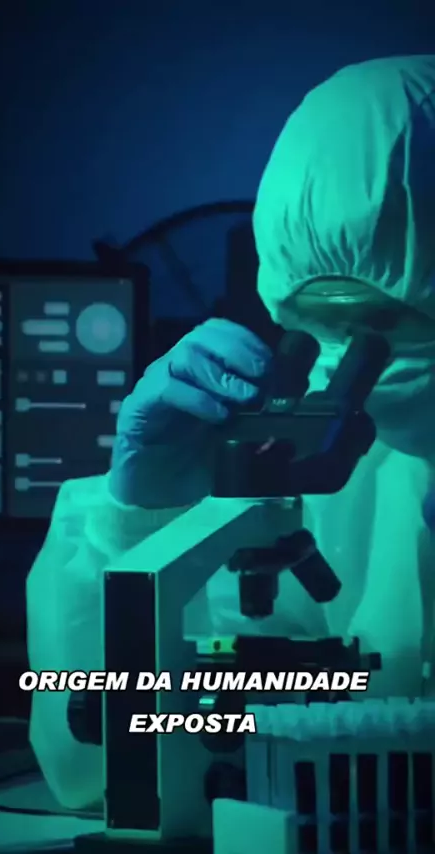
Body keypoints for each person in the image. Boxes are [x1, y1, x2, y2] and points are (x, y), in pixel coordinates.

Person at [26, 54, 435, 810]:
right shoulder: (349, 480)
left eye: (385, 321)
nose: (347, 359)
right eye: (315, 324)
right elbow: (98, 764)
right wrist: (141, 523)